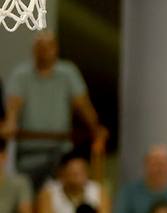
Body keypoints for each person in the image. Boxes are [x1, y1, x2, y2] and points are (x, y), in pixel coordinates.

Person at [3, 31, 105, 190]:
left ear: (56, 48)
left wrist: (95, 127)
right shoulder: (21, 75)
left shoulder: (68, 73)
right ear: (33, 49)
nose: (44, 51)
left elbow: (83, 105)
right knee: (26, 190)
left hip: (61, 150)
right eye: (40, 47)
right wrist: (10, 123)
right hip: (28, 152)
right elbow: (13, 105)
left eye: (48, 46)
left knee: (65, 189)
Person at [35, 152, 110, 213]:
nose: (78, 176)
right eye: (74, 172)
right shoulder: (48, 193)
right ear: (62, 173)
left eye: (82, 171)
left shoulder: (99, 191)